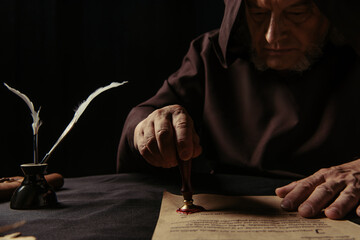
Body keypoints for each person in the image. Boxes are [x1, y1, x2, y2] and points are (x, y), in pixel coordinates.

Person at [117, 0, 360, 220]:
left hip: (336, 212)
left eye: (296, 13)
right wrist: (149, 126)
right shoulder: (209, 55)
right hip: (237, 213)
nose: (271, 36)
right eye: (257, 13)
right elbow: (150, 113)